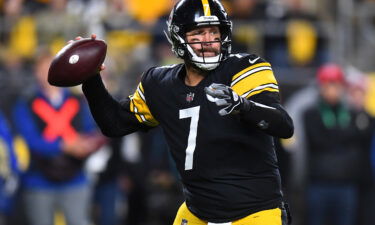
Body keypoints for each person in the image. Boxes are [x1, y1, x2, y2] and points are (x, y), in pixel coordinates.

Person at [79, 0, 294, 224]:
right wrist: (90, 79)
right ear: (178, 37)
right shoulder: (160, 83)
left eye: (214, 32)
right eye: (198, 33)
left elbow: (284, 125)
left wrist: (243, 106)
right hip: (197, 211)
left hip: (254, 212)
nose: (208, 41)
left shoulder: (244, 70)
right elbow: (114, 124)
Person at [12, 49, 104, 225]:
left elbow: (93, 131)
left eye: (52, 67)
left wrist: (87, 145)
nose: (48, 73)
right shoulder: (26, 103)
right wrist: (64, 146)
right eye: (43, 68)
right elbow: (29, 140)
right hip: (38, 180)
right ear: (36, 73)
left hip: (75, 178)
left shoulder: (78, 101)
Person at [302, 64, 372, 225]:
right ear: (321, 86)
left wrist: (335, 135)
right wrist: (345, 136)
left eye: (336, 85)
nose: (332, 90)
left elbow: (360, 138)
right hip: (319, 184)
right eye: (328, 85)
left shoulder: (351, 113)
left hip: (346, 184)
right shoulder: (311, 113)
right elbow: (319, 141)